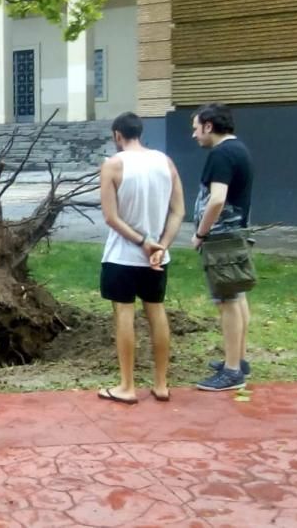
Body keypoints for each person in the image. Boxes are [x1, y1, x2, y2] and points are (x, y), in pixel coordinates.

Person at [97, 112, 184, 405]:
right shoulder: (165, 162)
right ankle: (161, 383)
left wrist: (142, 242)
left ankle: (127, 385)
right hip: (158, 258)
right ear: (140, 133)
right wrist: (161, 245)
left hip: (123, 255)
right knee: (156, 312)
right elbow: (178, 211)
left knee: (124, 313)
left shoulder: (113, 165)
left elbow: (111, 217)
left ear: (117, 136)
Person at [190, 103, 255, 392]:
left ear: (208, 126)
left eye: (195, 128)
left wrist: (202, 233)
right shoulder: (239, 149)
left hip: (222, 238)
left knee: (227, 301)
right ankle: (238, 361)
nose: (194, 135)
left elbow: (217, 199)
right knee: (237, 297)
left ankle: (231, 372)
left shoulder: (221, 154)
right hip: (236, 234)